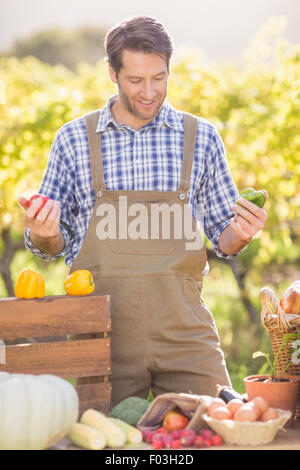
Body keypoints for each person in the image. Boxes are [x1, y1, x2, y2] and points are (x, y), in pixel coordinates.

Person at [18, 16, 268, 406]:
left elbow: (225, 238)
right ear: (112, 73)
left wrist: (243, 231)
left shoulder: (201, 138)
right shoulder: (73, 140)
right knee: (103, 438)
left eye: (159, 77)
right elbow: (49, 243)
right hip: (100, 335)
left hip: (186, 334)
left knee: (221, 427)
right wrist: (43, 231)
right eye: (136, 80)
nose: (150, 91)